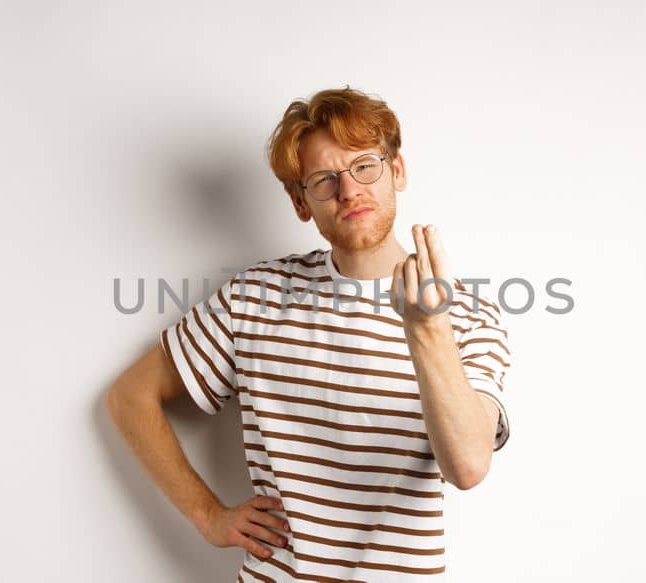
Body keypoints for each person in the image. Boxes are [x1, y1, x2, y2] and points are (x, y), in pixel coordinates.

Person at [105, 86, 512, 582]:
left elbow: (468, 467)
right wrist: (208, 515)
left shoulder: (469, 316)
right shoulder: (253, 297)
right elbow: (131, 397)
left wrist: (426, 328)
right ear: (301, 202)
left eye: (365, 166)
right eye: (323, 180)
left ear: (397, 170)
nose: (349, 191)